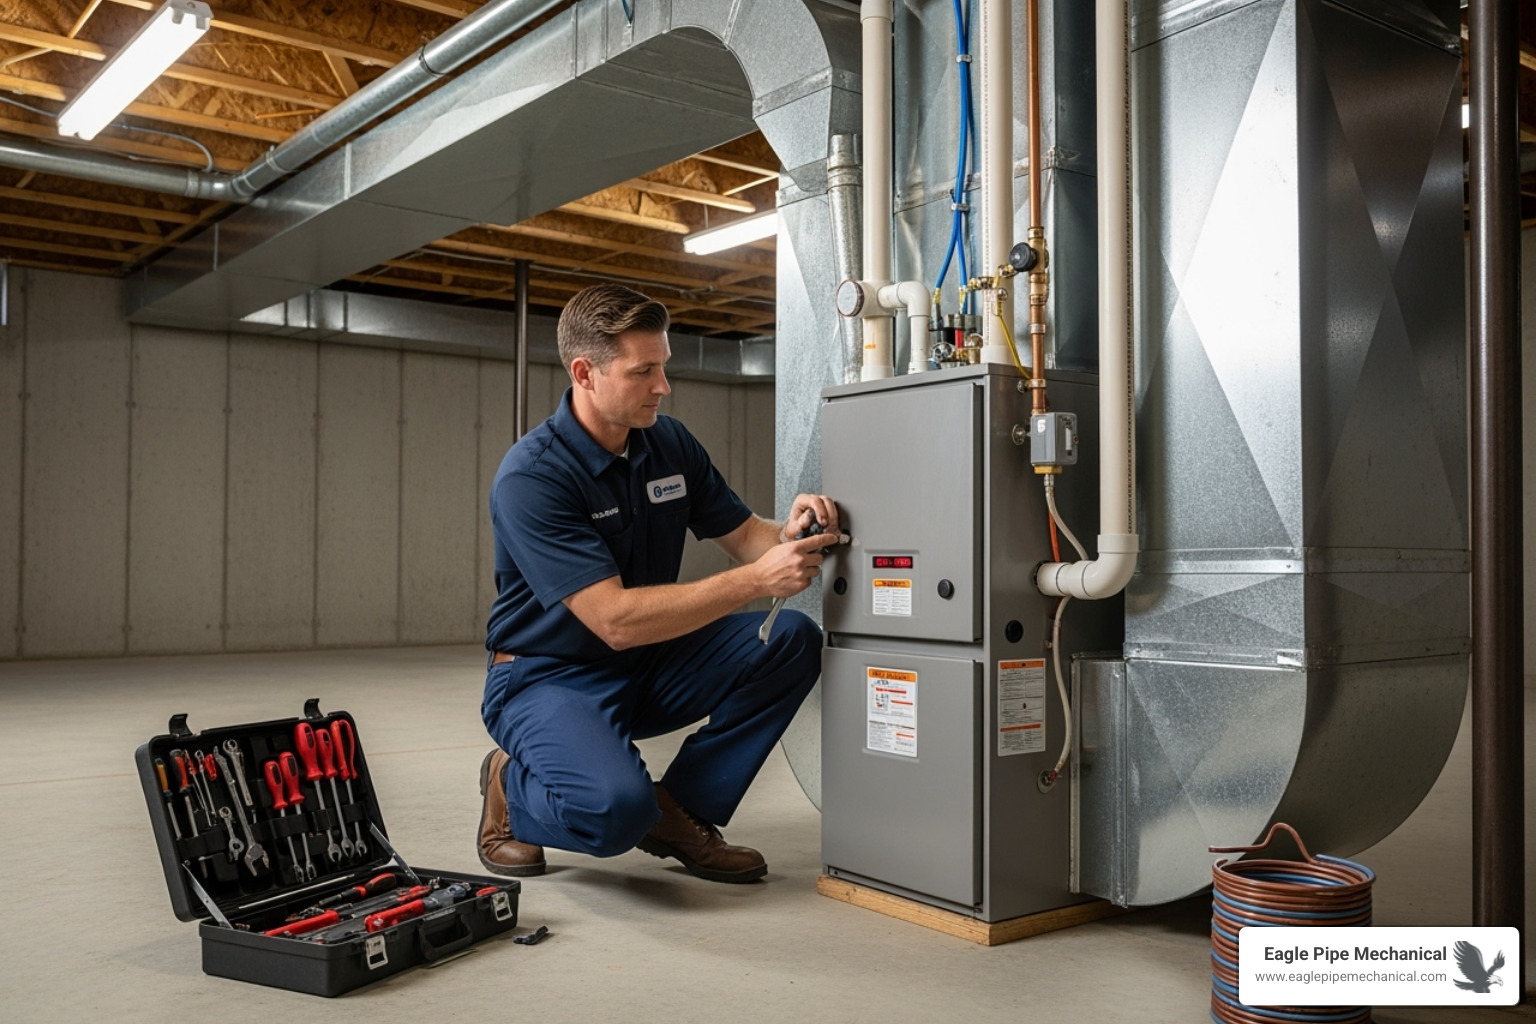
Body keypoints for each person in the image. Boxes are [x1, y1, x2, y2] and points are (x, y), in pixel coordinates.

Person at [477, 282, 840, 884]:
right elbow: (614, 620)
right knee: (613, 815)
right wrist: (755, 581)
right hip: (546, 674)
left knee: (791, 638)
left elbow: (747, 534)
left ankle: (679, 811)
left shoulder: (667, 444)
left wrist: (793, 531)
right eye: (643, 372)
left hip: (644, 662)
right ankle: (510, 786)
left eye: (663, 367)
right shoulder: (533, 477)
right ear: (585, 372)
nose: (663, 387)